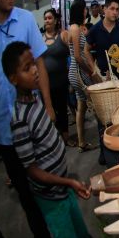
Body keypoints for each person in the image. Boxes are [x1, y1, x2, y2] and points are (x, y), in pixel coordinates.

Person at [4, 42, 107, 238]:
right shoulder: (18, 119)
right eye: (27, 69)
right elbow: (32, 170)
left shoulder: (35, 99)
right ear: (13, 79)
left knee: (82, 234)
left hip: (65, 188)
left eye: (34, 65)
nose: (36, 72)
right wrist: (68, 182)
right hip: (52, 196)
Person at [0, 0, 54, 238]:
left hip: (33, 118)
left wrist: (50, 108)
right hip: (3, 126)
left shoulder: (26, 20)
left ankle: (61, 226)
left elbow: (40, 65)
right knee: (24, 188)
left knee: (48, 177)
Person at [68, 0, 98, 152]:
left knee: (81, 106)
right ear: (80, 10)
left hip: (76, 70)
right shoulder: (74, 28)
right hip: (78, 71)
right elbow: (78, 56)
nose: (86, 11)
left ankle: (82, 142)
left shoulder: (77, 27)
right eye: (84, 9)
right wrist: (89, 70)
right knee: (96, 101)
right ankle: (104, 134)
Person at [42, 8, 72, 146]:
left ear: (55, 20)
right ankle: (54, 139)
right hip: (46, 83)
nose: (47, 21)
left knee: (62, 110)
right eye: (45, 18)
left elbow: (73, 55)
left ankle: (65, 138)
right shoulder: (39, 38)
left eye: (49, 18)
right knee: (50, 111)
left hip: (61, 82)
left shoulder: (63, 35)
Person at [85, 0, 119, 77]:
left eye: (117, 9)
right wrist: (94, 69)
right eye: (112, 9)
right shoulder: (95, 29)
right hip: (103, 76)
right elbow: (86, 50)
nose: (115, 12)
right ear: (104, 9)